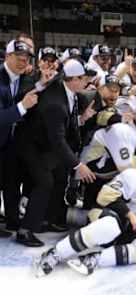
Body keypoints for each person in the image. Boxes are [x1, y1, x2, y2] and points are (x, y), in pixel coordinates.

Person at [33, 153, 136, 277]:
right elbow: (104, 196)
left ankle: (94, 259)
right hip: (108, 216)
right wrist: (130, 215)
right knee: (110, 227)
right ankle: (55, 253)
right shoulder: (133, 176)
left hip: (130, 231)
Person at [16, 59, 97, 247]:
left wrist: (81, 119)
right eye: (84, 78)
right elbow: (58, 140)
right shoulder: (56, 104)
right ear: (73, 80)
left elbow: (63, 128)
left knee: (60, 174)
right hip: (33, 146)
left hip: (47, 146)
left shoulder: (69, 92)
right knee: (45, 182)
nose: (87, 82)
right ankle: (25, 230)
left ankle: (48, 219)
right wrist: (78, 165)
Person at [0, 40, 40, 237]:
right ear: (7, 56)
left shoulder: (23, 77)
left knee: (12, 182)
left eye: (26, 58)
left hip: (11, 144)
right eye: (18, 57)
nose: (23, 61)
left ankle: (12, 221)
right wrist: (22, 107)